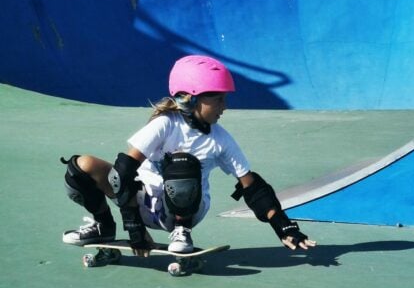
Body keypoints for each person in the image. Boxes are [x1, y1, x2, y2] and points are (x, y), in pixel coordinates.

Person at [61, 54, 315, 256]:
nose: (224, 108)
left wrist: (283, 226)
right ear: (191, 99)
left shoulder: (221, 140)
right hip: (140, 202)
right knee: (81, 166)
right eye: (218, 100)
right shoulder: (165, 124)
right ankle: (103, 225)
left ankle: (181, 232)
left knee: (181, 163)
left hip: (185, 210)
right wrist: (134, 227)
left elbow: (254, 188)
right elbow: (123, 173)